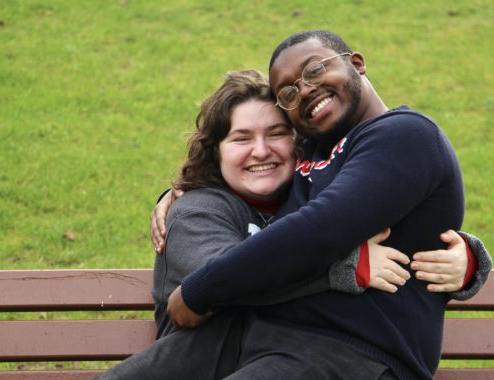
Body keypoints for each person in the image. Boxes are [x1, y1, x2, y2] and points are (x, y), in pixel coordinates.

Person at [164, 30, 492, 379]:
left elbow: (319, 229)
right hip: (267, 341)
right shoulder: (309, 154)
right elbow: (242, 174)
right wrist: (174, 194)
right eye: (288, 93)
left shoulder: (405, 135)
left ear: (357, 63)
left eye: (315, 70)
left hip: (355, 353)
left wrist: (201, 291)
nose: (305, 90)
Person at [97, 69, 418, 380]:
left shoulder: (316, 202)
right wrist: (345, 269)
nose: (261, 151)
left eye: (277, 133)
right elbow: (231, 280)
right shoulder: (194, 212)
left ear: (299, 143)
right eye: (241, 138)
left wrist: (466, 257)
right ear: (215, 151)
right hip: (205, 364)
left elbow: (405, 220)